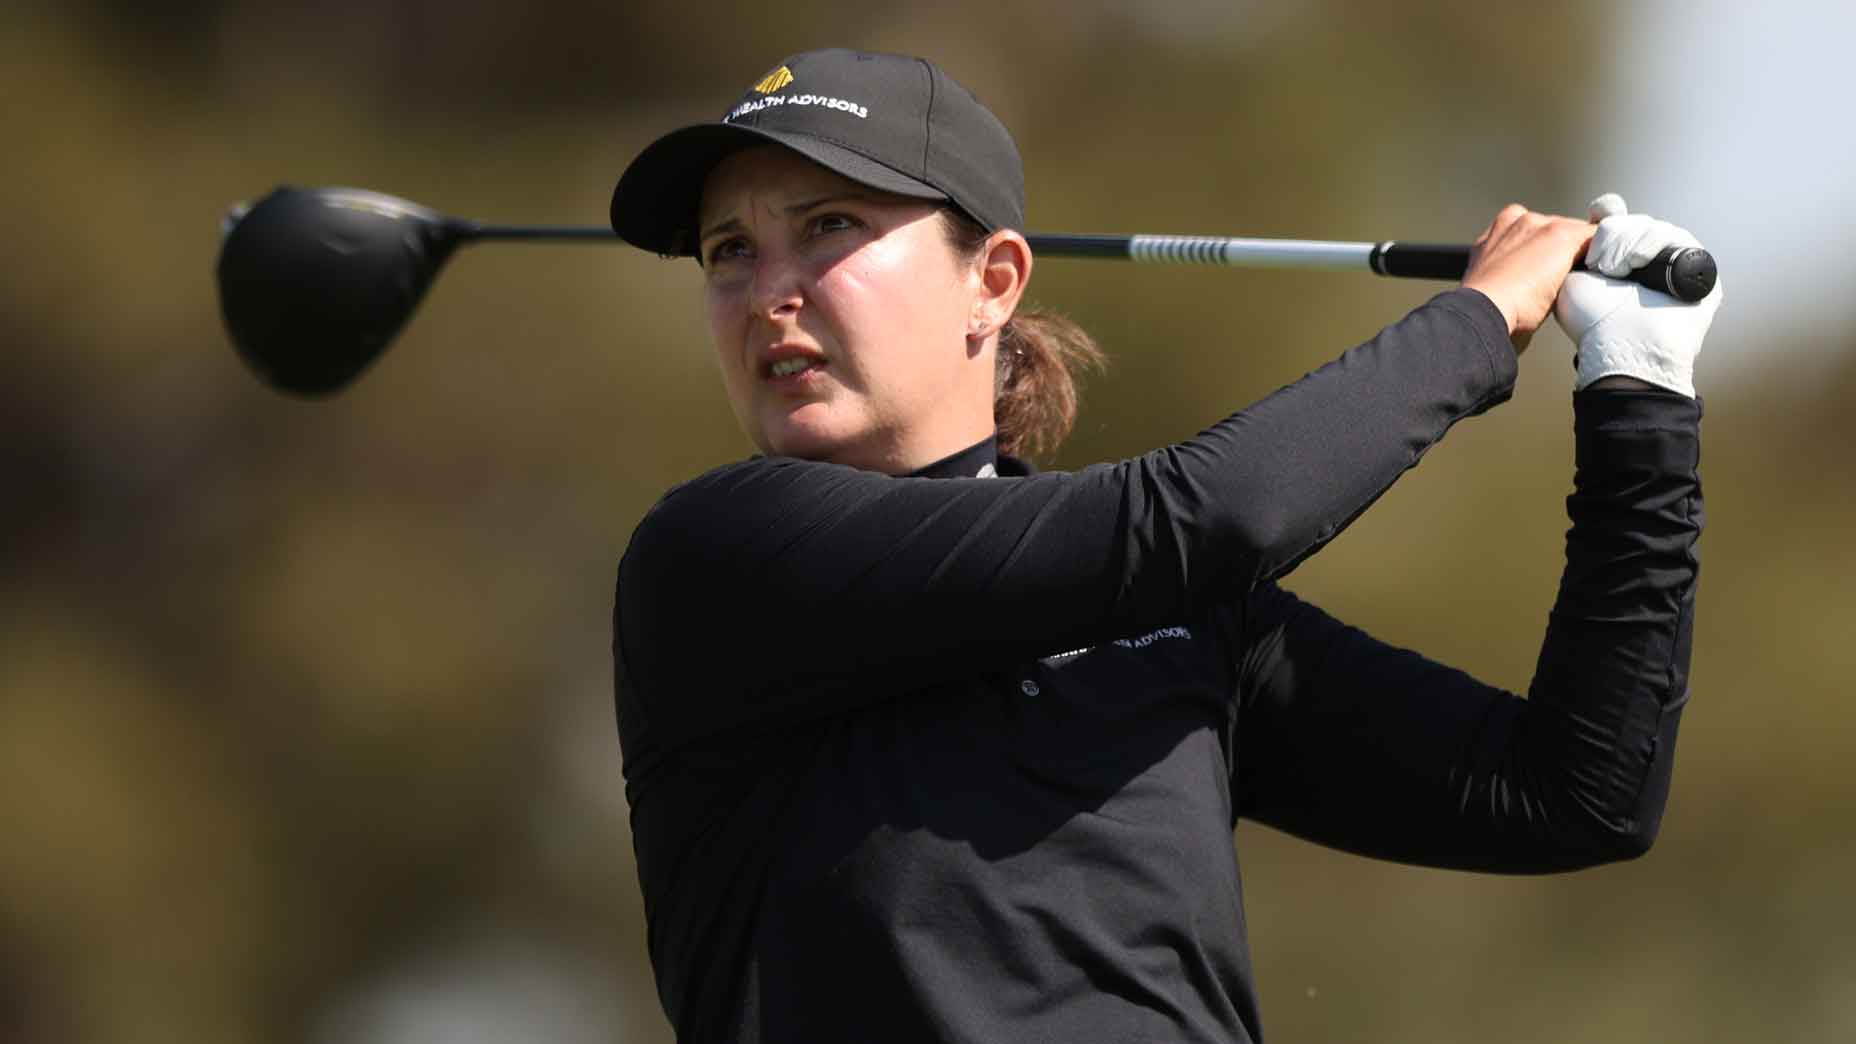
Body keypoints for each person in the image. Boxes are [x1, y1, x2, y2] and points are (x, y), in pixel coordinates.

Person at [607, 48, 1718, 1043]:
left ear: (990, 282)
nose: (767, 294)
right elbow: (1212, 515)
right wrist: (1480, 317)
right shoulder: (714, 561)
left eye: (829, 226)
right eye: (726, 251)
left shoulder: (1173, 617)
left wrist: (1639, 402)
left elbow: (1574, 792)